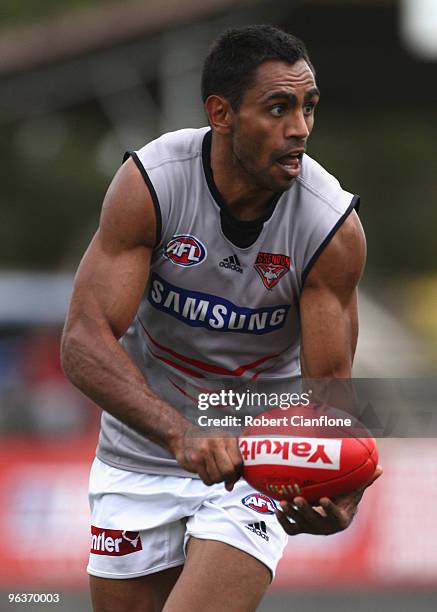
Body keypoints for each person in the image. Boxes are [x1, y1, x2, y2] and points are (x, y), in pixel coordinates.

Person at [61, 25, 381, 612]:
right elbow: (83, 343)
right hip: (138, 451)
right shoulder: (152, 184)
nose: (300, 129)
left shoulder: (331, 226)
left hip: (254, 463)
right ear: (222, 114)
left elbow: (328, 396)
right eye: (278, 108)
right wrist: (179, 431)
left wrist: (340, 489)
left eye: (308, 107)